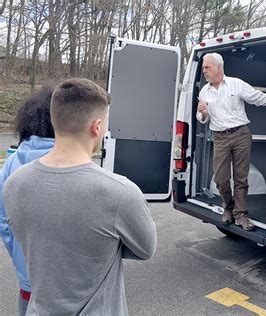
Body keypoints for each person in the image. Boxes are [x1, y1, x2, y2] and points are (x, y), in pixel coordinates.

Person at [3, 78, 157, 315]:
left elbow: (20, 234)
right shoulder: (120, 193)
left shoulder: (13, 183)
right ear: (96, 127)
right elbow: (145, 249)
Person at [197, 53, 266, 231]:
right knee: (221, 179)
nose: (204, 71)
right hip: (220, 137)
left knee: (241, 178)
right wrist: (203, 112)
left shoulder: (236, 84)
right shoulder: (204, 91)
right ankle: (228, 207)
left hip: (241, 134)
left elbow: (257, 97)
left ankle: (241, 214)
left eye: (207, 67)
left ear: (219, 67)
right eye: (203, 67)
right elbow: (202, 118)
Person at [0, 87, 55, 315]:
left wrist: (21, 258)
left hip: (28, 282)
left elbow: (4, 221)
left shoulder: (11, 164)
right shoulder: (72, 162)